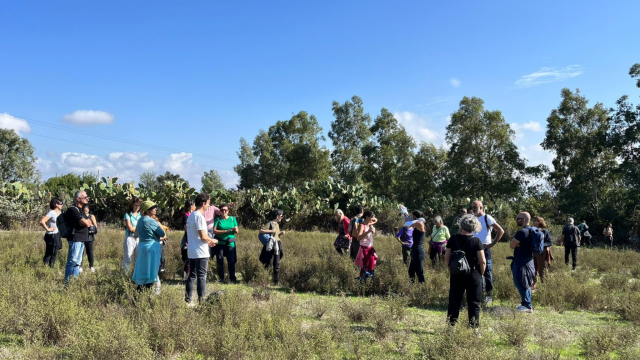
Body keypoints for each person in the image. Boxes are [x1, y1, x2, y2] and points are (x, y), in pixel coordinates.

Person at [445, 214, 486, 327]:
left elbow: (447, 257)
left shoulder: (453, 239)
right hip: (473, 274)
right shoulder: (477, 241)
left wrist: (451, 269)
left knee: (454, 301)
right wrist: (481, 274)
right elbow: (482, 261)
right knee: (474, 303)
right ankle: (474, 328)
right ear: (475, 227)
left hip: (457, 274)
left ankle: (451, 327)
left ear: (461, 224)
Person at [185, 193, 218, 305]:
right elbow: (203, 236)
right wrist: (213, 240)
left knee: (192, 275)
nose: (209, 206)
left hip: (192, 250)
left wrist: (208, 241)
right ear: (203, 203)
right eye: (208, 203)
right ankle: (201, 301)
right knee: (202, 276)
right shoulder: (199, 217)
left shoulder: (191, 216)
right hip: (201, 252)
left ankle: (188, 300)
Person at [471, 201, 504, 304]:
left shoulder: (487, 218)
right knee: (474, 271)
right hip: (472, 249)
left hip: (485, 249)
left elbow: (500, 231)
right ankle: (478, 293)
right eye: (472, 207)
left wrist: (493, 243)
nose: (473, 209)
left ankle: (489, 295)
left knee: (487, 272)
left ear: (481, 207)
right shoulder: (471, 218)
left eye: (475, 207)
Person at [131, 200, 165, 292]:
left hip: (142, 246)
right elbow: (162, 233)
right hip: (152, 247)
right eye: (153, 208)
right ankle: (147, 290)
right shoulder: (151, 221)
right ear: (148, 210)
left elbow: (136, 233)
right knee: (151, 270)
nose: (155, 209)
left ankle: (140, 290)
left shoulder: (140, 220)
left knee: (143, 269)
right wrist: (158, 224)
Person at [63, 191, 92, 284]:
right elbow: (86, 223)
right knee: (72, 262)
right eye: (85, 197)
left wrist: (86, 222)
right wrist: (85, 222)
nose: (87, 198)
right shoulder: (73, 209)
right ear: (78, 199)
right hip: (75, 239)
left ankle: (74, 283)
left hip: (82, 239)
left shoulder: (81, 210)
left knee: (77, 263)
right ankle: (67, 283)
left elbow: (89, 222)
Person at [510, 212, 536, 313]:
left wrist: (517, 245)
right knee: (527, 282)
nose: (517, 220)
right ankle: (526, 303)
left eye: (518, 218)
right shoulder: (532, 230)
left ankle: (527, 305)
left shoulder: (522, 232)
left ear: (524, 220)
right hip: (530, 260)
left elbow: (512, 245)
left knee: (520, 282)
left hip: (521, 261)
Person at [212, 204, 239, 284]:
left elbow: (237, 230)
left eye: (225, 210)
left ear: (228, 211)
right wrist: (227, 231)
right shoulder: (217, 220)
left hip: (230, 243)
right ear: (219, 211)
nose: (224, 211)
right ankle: (221, 279)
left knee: (231, 260)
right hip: (219, 243)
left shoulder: (233, 219)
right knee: (220, 260)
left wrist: (235, 230)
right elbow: (214, 231)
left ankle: (232, 279)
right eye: (222, 210)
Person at [259, 209, 285, 285]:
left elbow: (276, 235)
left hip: (277, 244)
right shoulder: (270, 223)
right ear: (277, 216)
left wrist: (280, 234)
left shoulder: (277, 224)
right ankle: (266, 281)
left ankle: (276, 282)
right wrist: (271, 231)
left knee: (276, 264)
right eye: (281, 216)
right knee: (268, 263)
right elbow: (261, 231)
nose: (282, 217)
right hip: (271, 245)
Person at [39, 198, 64, 267]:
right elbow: (42, 221)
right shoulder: (52, 212)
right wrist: (48, 229)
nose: (62, 205)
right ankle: (46, 267)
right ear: (56, 205)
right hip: (51, 235)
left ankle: (50, 267)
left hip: (57, 234)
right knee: (49, 252)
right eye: (61, 204)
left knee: (55, 252)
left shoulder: (59, 213)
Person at [355, 211, 378, 280]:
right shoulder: (362, 226)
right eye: (371, 217)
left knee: (371, 267)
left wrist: (372, 229)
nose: (373, 218)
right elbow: (358, 238)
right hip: (364, 249)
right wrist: (368, 231)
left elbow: (376, 220)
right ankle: (363, 281)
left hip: (370, 248)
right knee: (365, 267)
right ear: (367, 217)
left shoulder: (369, 224)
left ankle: (369, 280)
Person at [532, 216, 553, 291]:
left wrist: (541, 245)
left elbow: (550, 242)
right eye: (533, 220)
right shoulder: (532, 231)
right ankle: (533, 286)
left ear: (540, 222)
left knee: (542, 270)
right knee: (532, 269)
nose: (534, 221)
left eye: (535, 220)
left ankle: (545, 287)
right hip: (533, 253)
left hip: (542, 253)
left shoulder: (545, 232)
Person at [406, 211, 428, 283]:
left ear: (415, 216)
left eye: (413, 216)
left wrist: (406, 214)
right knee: (411, 271)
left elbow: (407, 224)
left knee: (419, 273)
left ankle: (423, 290)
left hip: (418, 251)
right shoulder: (420, 222)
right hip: (415, 250)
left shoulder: (419, 223)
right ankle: (411, 289)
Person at [123, 197, 142, 274]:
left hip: (139, 239)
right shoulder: (128, 215)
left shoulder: (141, 215)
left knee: (138, 259)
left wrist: (137, 229)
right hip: (130, 238)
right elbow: (130, 228)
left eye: (138, 205)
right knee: (128, 258)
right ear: (132, 205)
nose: (137, 207)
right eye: (135, 205)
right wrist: (140, 229)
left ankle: (136, 276)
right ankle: (126, 276)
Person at [181, 199, 195, 280]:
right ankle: (186, 277)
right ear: (190, 206)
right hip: (188, 239)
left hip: (193, 239)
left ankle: (192, 275)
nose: (195, 207)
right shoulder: (185, 216)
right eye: (194, 205)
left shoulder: (194, 215)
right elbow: (186, 229)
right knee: (188, 259)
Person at [82, 204, 98, 273]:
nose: (86, 211)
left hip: (90, 236)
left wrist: (91, 224)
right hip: (82, 236)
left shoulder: (91, 216)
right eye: (84, 210)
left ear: (88, 209)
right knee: (81, 252)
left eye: (87, 210)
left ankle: (91, 266)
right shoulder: (81, 216)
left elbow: (95, 226)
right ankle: (80, 266)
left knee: (90, 252)